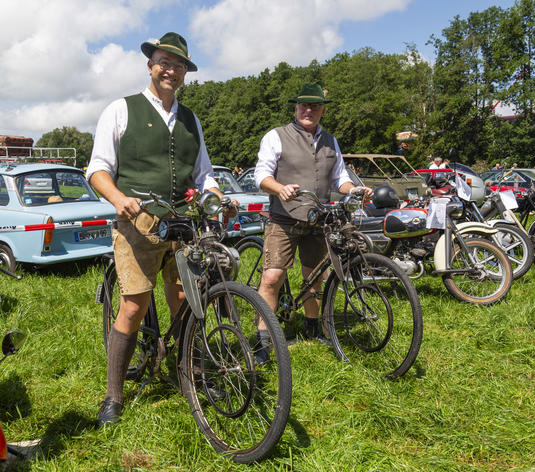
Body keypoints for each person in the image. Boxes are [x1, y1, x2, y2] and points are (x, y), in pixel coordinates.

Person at [86, 32, 237, 427]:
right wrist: (120, 199)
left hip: (184, 221)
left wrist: (217, 196)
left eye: (179, 65)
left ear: (186, 73)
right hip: (138, 221)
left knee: (187, 300)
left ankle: (193, 375)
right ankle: (113, 397)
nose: (171, 70)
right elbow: (97, 169)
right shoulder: (121, 110)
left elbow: (204, 174)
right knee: (134, 306)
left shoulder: (191, 120)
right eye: (164, 62)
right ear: (150, 64)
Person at [253, 83, 373, 361]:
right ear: (296, 108)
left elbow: (340, 178)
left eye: (315, 106)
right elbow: (261, 175)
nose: (309, 110)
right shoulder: (276, 136)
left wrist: (353, 189)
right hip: (284, 218)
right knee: (272, 277)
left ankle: (311, 329)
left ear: (322, 110)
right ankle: (263, 340)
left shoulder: (330, 140)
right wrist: (278, 187)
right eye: (304, 105)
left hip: (318, 219)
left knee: (314, 276)